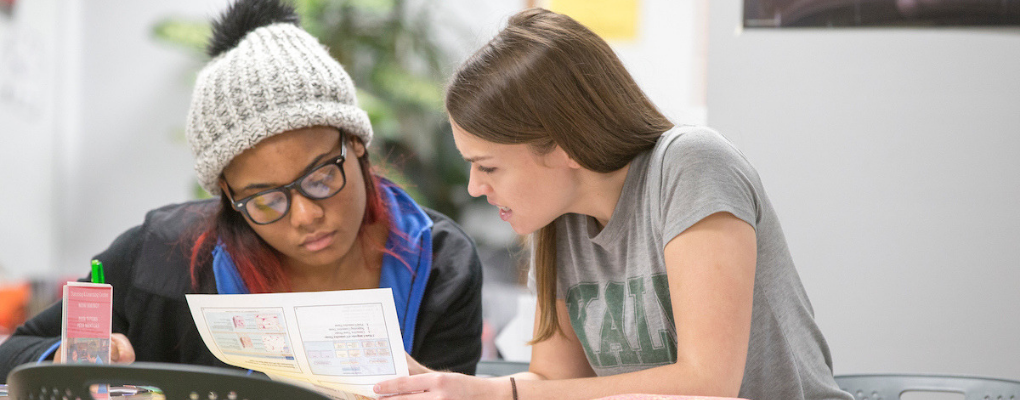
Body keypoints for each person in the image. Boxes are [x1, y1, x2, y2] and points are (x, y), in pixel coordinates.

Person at [374, 8, 853, 400]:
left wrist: (497, 395)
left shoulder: (691, 165)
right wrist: (452, 387)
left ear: (563, 146)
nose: (476, 187)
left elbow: (706, 384)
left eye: (490, 166)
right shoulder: (555, 220)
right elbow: (554, 382)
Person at [0, 0, 482, 379]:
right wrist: (67, 356)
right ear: (229, 195)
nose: (304, 217)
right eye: (265, 200)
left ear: (355, 143)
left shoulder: (439, 264)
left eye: (319, 178)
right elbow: (14, 352)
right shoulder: (163, 256)